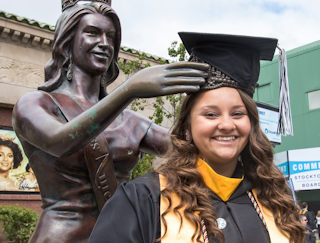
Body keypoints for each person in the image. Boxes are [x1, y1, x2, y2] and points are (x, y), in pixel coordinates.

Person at [12, 1, 208, 242]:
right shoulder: (36, 104)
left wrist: (214, 103)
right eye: (92, 33)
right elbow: (59, 142)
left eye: (111, 37)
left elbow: (192, 150)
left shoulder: (131, 122)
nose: (104, 43)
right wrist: (129, 90)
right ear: (67, 41)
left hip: (120, 235)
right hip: (61, 236)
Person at [89, 32, 305, 243]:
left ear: (251, 123)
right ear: (187, 127)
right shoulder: (143, 199)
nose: (227, 125)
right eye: (210, 114)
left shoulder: (274, 198)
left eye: (238, 113)